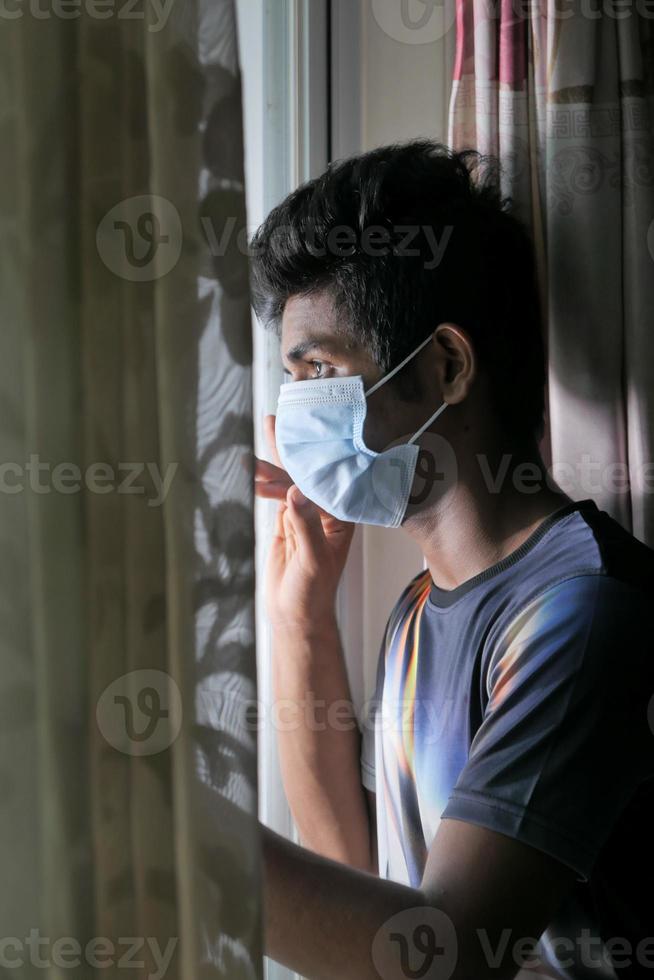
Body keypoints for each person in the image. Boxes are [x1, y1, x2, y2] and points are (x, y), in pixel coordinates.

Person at [248, 140, 654, 980]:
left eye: (319, 370)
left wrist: (180, 834)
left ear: (445, 366)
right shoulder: (422, 607)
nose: (291, 424)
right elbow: (359, 871)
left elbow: (448, 953)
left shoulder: (582, 614)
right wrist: (298, 616)